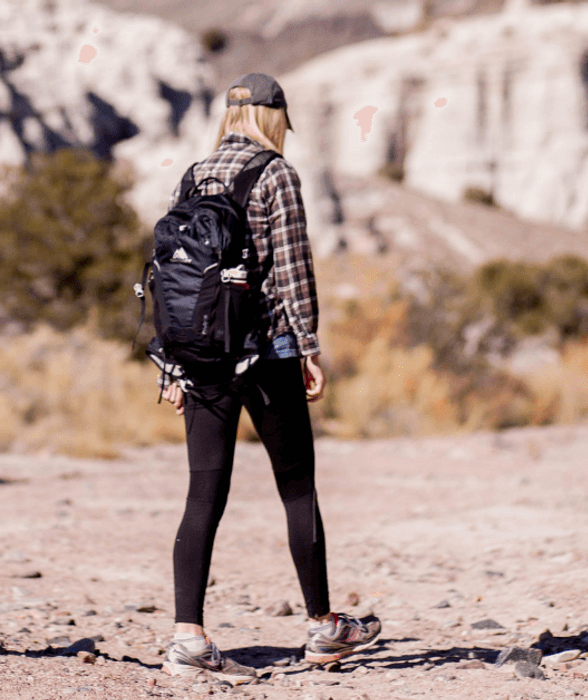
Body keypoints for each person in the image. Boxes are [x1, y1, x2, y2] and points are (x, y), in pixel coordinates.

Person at [157, 73, 380, 684]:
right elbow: (293, 269)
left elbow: (175, 280)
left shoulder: (194, 175)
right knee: (297, 488)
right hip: (267, 352)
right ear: (274, 116)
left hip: (201, 358)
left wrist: (176, 362)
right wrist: (307, 347)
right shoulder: (275, 173)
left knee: (203, 492)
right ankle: (323, 627)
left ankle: (188, 637)